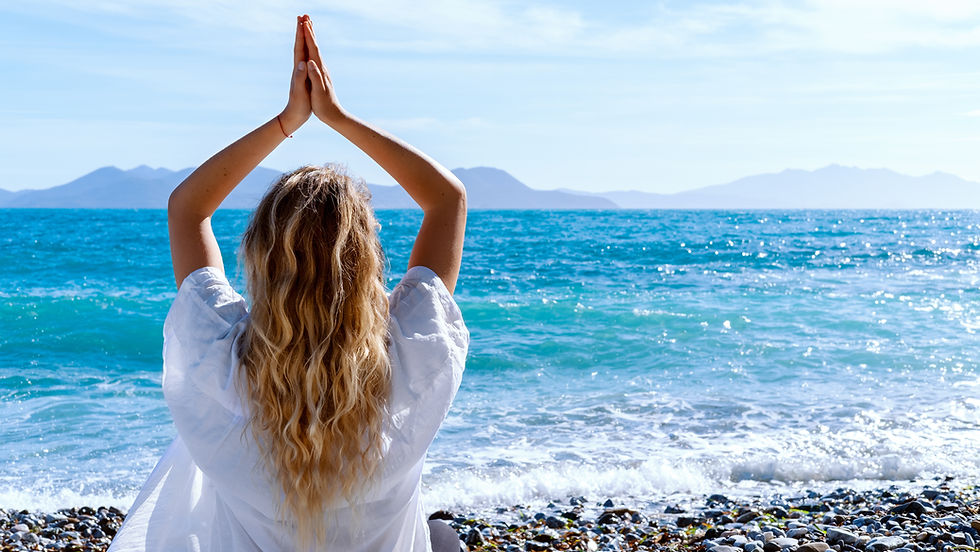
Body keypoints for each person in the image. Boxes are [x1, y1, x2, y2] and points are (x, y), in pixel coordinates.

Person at [108, 15, 468, 552]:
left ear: (260, 260)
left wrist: (289, 120)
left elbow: (187, 210)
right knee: (444, 538)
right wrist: (337, 117)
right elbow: (448, 200)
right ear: (367, 263)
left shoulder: (220, 369)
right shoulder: (412, 364)